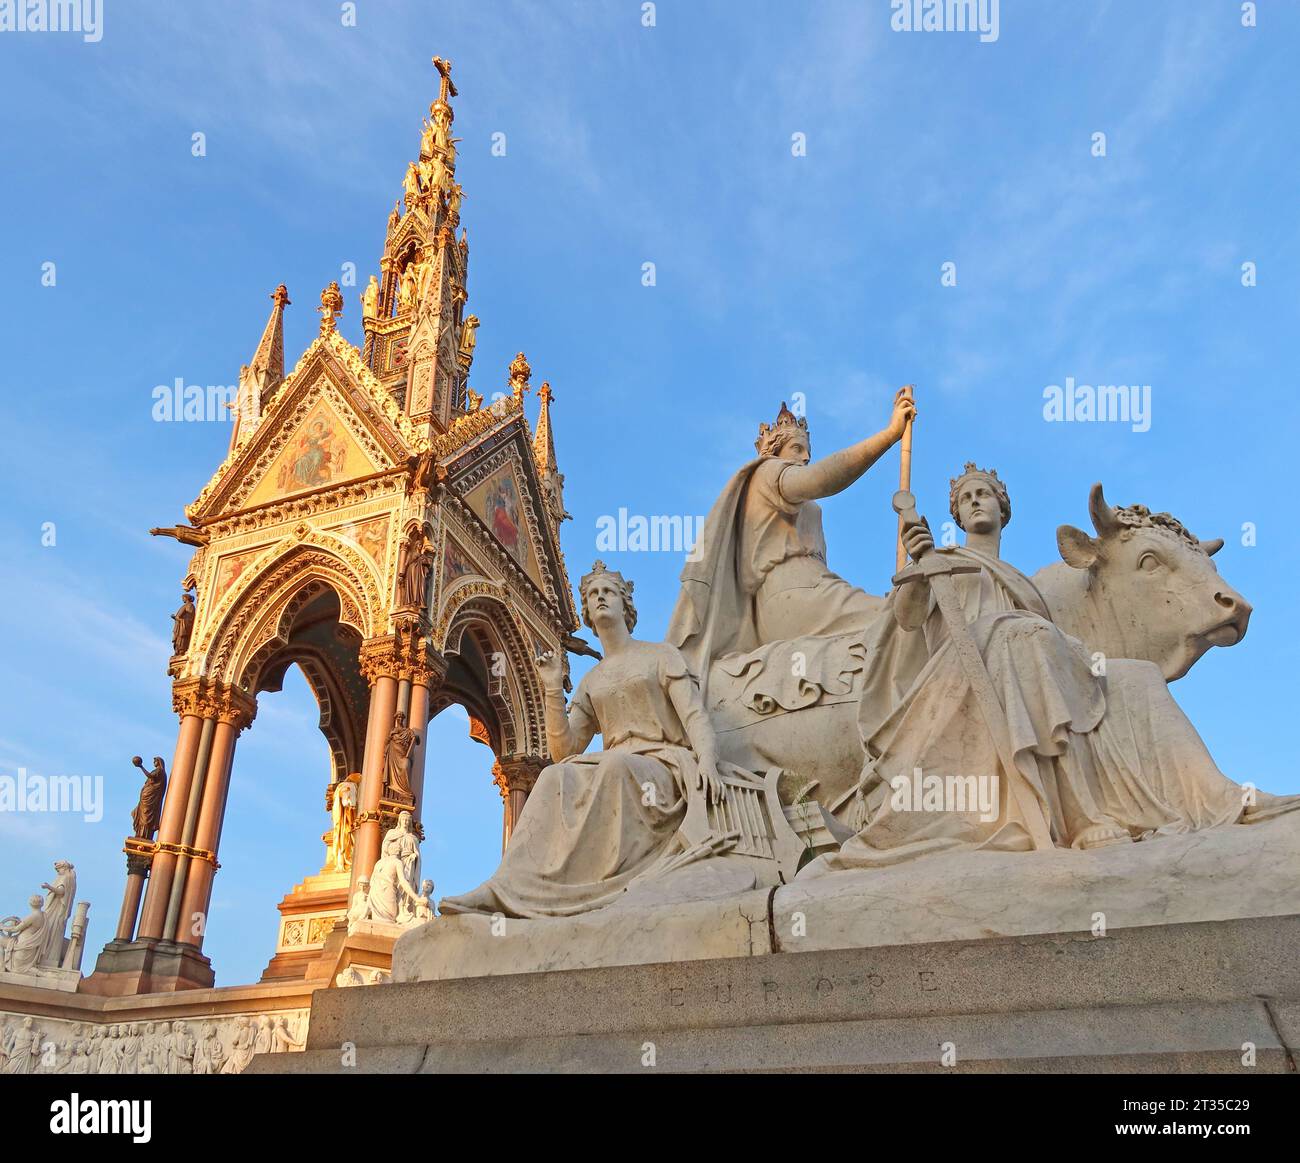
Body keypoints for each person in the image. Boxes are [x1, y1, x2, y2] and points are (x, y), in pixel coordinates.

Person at [805, 464, 1300, 872]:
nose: (976, 502)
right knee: (1023, 636)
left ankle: (1219, 801)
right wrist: (917, 568)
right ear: (955, 512)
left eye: (986, 495)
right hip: (959, 676)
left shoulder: (1024, 584)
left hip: (1021, 661)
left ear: (1004, 510)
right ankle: (1081, 818)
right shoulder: (943, 560)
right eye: (967, 498)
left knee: (1133, 676)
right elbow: (908, 621)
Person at [441, 561, 731, 919]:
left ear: (626, 606)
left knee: (613, 766)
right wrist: (551, 687)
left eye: (609, 592)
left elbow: (694, 716)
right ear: (588, 614)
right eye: (593, 595)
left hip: (663, 766)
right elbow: (565, 751)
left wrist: (707, 761)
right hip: (619, 769)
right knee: (552, 777)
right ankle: (509, 886)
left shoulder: (661, 656)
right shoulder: (591, 681)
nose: (601, 598)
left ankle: (593, 886)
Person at [668, 391, 915, 678]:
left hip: (815, 587)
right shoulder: (769, 471)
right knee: (898, 616)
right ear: (775, 450)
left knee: (899, 611)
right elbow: (821, 479)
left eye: (807, 450)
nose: (806, 456)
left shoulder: (799, 503)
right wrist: (890, 434)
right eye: (797, 448)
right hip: (793, 593)